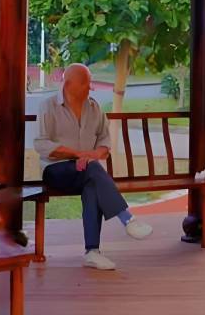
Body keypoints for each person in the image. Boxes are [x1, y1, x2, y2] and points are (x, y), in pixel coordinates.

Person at [34, 63, 152, 270]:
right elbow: (41, 144)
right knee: (93, 170)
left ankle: (92, 252)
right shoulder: (48, 106)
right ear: (68, 84)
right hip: (56, 170)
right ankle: (127, 219)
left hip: (87, 170)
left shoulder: (94, 107)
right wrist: (77, 154)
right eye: (85, 83)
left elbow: (104, 141)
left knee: (92, 183)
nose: (90, 87)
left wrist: (92, 155)